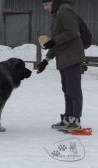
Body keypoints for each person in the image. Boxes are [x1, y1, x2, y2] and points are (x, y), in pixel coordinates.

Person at [38, 0, 85, 131]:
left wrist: (53, 41)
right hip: (64, 58)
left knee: (74, 89)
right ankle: (68, 118)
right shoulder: (57, 13)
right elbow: (58, 41)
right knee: (67, 89)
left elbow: (72, 32)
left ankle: (75, 120)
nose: (45, 8)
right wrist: (46, 60)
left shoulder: (65, 10)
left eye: (46, 4)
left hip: (72, 57)